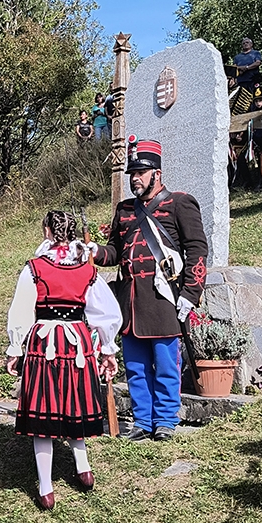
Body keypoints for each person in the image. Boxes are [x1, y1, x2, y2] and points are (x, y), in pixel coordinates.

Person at [93, 140, 209, 442]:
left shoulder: (180, 203)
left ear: (157, 174)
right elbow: (115, 252)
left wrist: (190, 293)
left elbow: (197, 250)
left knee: (167, 364)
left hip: (165, 298)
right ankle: (143, 421)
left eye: (141, 173)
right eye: (132, 173)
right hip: (131, 301)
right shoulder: (124, 210)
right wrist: (93, 252)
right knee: (135, 366)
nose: (135, 179)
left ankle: (166, 421)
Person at [4, 211, 121, 510]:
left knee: (44, 408)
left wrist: (15, 348)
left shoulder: (34, 268)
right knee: (74, 403)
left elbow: (21, 309)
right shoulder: (87, 270)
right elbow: (106, 313)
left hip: (44, 342)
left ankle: (46, 489)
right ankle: (84, 469)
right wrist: (108, 349)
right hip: (77, 342)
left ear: (47, 231)